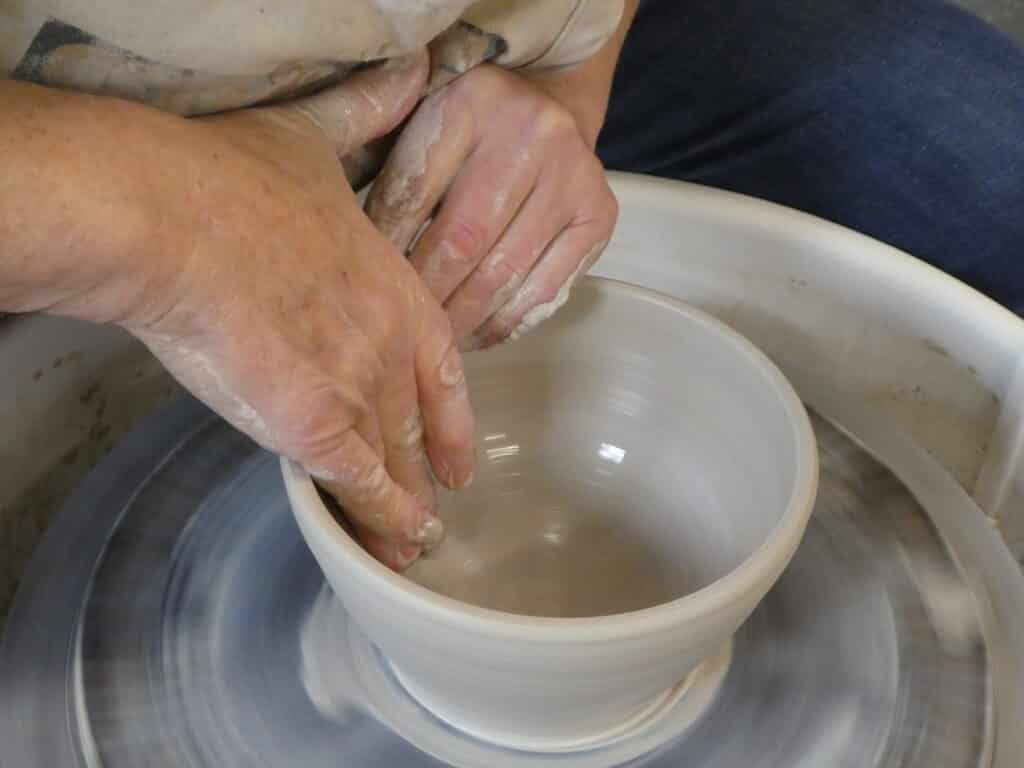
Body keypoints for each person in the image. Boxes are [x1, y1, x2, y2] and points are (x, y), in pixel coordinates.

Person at [2, 0, 1020, 571]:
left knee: (993, 169)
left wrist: (565, 72)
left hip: (463, 54)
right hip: (69, 142)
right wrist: (169, 231)